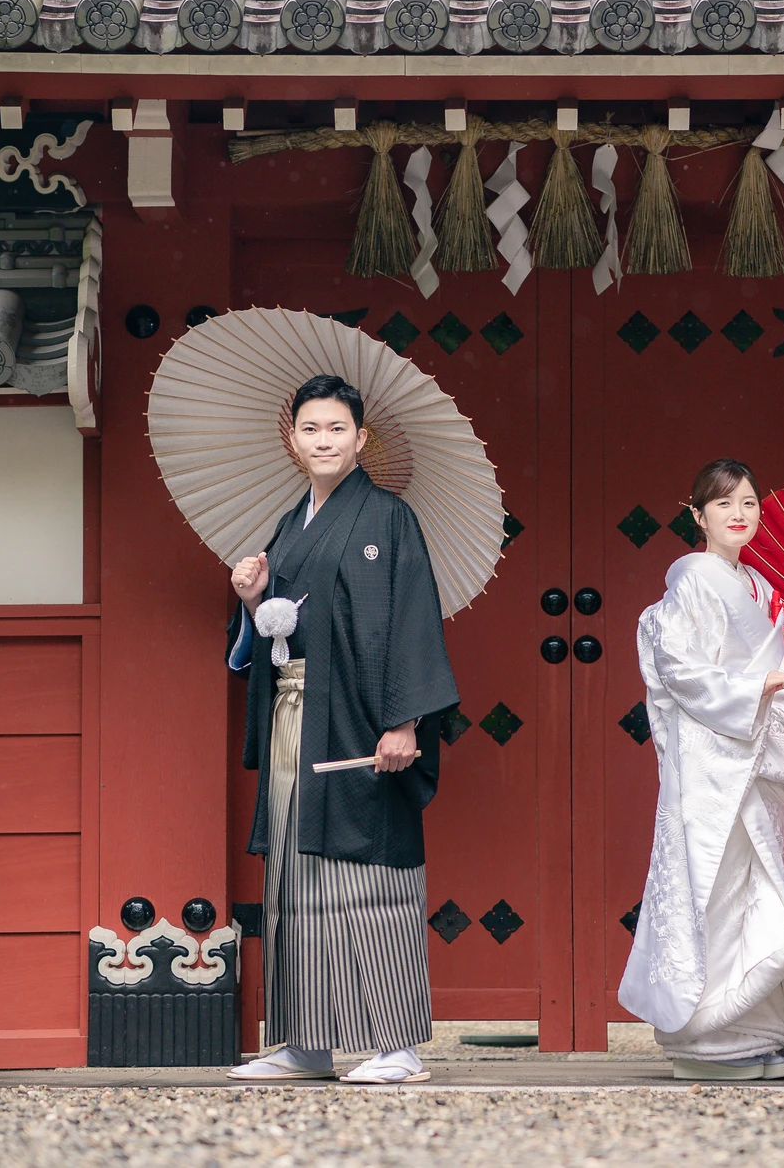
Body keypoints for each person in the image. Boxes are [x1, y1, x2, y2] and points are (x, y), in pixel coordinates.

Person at [223, 374, 458, 1085]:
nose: (323, 440)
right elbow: (268, 639)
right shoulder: (287, 526)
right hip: (295, 716)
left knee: (370, 871)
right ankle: (305, 1040)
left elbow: (411, 616)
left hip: (360, 720)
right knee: (297, 875)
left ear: (360, 438)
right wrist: (252, 598)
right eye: (310, 429)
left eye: (336, 429)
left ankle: (397, 1043)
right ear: (292, 439)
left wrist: (405, 719)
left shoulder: (387, 518)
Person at [618, 458, 784, 1081]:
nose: (738, 515)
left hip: (756, 763)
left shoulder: (760, 588)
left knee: (763, 891)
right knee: (718, 894)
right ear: (697, 516)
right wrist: (760, 685)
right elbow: (681, 669)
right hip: (714, 767)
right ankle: (705, 1040)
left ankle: (755, 1034)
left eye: (749, 503)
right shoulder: (695, 580)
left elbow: (776, 680)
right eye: (723, 505)